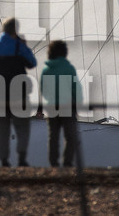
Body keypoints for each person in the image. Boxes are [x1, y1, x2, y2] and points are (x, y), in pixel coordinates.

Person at [0, 17, 37, 167]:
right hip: (18, 95)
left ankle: (3, 160)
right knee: (22, 127)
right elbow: (32, 63)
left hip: (0, 95)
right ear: (15, 30)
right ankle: (21, 158)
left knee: (2, 129)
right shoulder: (18, 46)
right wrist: (23, 45)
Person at [40, 39, 81, 168]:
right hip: (67, 107)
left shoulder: (46, 69)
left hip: (51, 107)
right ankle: (67, 162)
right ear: (64, 52)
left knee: (53, 137)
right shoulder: (69, 68)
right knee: (71, 137)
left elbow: (43, 89)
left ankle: (53, 164)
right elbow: (75, 88)